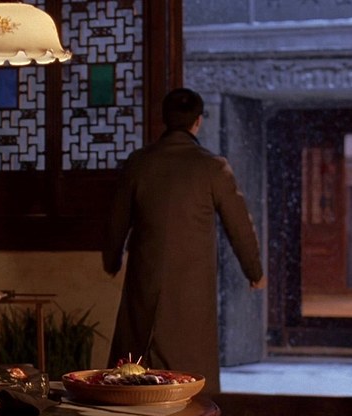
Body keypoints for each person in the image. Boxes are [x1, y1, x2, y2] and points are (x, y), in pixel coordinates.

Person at [103, 87, 265, 395]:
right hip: (191, 289)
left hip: (145, 281)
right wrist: (254, 272)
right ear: (198, 121)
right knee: (189, 375)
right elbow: (239, 226)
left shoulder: (139, 163)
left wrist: (111, 261)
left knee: (133, 373)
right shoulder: (212, 167)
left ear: (164, 119)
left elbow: (116, 222)